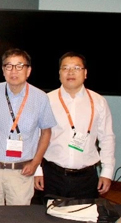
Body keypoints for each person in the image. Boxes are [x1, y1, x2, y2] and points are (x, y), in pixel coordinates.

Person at [0, 48, 56, 206]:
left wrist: (36, 162)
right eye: (9, 66)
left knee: (17, 218)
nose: (14, 71)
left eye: (19, 66)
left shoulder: (40, 98)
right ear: (3, 70)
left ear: (28, 71)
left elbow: (46, 132)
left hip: (21, 172)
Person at [37, 52, 115, 199]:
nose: (70, 72)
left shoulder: (99, 102)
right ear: (59, 73)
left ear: (85, 73)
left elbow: (107, 138)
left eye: (76, 68)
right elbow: (36, 137)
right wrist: (37, 171)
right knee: (48, 214)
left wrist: (107, 172)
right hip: (51, 175)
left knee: (84, 213)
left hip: (86, 178)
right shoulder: (46, 101)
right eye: (65, 68)